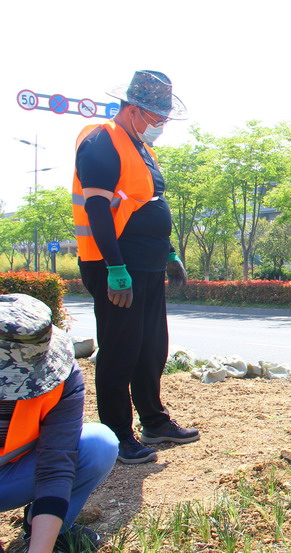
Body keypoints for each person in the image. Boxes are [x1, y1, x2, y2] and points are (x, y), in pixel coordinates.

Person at [71, 70, 199, 465]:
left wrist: (170, 253)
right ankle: (116, 436)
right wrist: (115, 268)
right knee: (119, 351)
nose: (161, 124)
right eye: (157, 116)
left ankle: (155, 421)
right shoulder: (101, 141)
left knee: (150, 348)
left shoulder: (141, 147)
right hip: (117, 266)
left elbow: (148, 204)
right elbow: (97, 208)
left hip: (148, 264)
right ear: (134, 109)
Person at [0, 294, 118, 553]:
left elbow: (56, 466)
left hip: (11, 476)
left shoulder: (61, 377)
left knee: (97, 445)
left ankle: (47, 530)